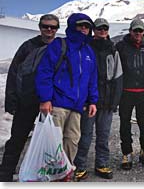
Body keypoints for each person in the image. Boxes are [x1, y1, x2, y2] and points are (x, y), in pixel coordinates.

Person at [35, 13, 98, 181]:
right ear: (72, 26)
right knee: (52, 143)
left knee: (72, 141)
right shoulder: (59, 45)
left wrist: (93, 101)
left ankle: (64, 174)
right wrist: (45, 99)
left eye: (87, 26)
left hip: (77, 107)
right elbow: (45, 72)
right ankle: (49, 175)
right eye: (81, 25)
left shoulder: (89, 51)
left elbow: (92, 79)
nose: (84, 29)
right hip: (57, 103)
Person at [0, 14, 60, 182]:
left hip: (49, 102)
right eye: (45, 26)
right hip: (26, 100)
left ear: (57, 29)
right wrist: (11, 99)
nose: (49, 29)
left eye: (53, 27)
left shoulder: (59, 47)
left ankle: (42, 174)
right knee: (17, 139)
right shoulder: (28, 47)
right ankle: (5, 174)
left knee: (48, 140)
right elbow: (13, 73)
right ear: (40, 27)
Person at [73, 18, 123, 181]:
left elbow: (118, 77)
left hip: (107, 100)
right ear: (94, 30)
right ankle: (79, 166)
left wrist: (114, 102)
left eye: (105, 28)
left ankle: (101, 164)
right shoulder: (86, 47)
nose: (102, 31)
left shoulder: (113, 50)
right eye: (99, 28)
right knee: (85, 135)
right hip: (89, 101)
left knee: (103, 135)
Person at [115, 19, 144, 170]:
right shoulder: (121, 46)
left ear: (143, 32)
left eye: (140, 31)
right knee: (124, 124)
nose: (138, 33)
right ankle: (127, 153)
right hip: (125, 93)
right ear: (130, 31)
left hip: (143, 92)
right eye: (135, 31)